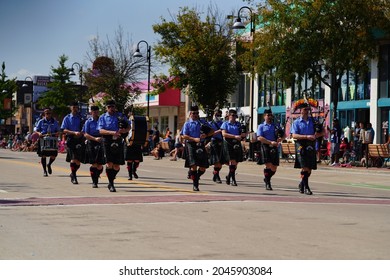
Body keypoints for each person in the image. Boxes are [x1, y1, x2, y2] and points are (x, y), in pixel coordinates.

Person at [291, 103, 325, 195]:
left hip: (311, 145)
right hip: (301, 145)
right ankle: (306, 188)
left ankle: (302, 184)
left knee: (309, 168)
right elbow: (294, 135)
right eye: (305, 109)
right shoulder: (296, 122)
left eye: (308, 109)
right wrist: (306, 136)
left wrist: (315, 135)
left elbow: (323, 132)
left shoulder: (313, 121)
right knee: (304, 167)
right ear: (301, 110)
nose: (307, 111)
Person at [97, 100, 130, 192]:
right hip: (107, 140)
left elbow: (129, 126)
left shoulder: (120, 116)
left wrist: (125, 130)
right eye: (109, 107)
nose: (111, 108)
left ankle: (111, 178)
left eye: (113, 106)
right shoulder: (103, 117)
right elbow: (100, 130)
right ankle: (111, 184)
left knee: (116, 166)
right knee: (109, 163)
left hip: (118, 140)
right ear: (106, 108)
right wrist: (112, 132)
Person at [181, 105, 209, 191]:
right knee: (193, 165)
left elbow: (212, 131)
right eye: (193, 113)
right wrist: (194, 139)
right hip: (191, 145)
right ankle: (195, 185)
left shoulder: (202, 122)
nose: (195, 115)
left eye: (197, 113)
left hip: (201, 145)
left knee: (203, 167)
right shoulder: (187, 123)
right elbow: (184, 136)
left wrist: (206, 135)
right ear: (190, 114)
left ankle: (195, 176)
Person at [256, 108, 284, 190]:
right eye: (268, 115)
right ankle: (268, 183)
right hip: (265, 146)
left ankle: (267, 178)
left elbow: (283, 135)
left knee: (274, 168)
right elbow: (259, 138)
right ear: (264, 116)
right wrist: (270, 142)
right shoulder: (261, 126)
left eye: (270, 115)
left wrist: (280, 139)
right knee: (268, 165)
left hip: (274, 147)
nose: (269, 117)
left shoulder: (276, 126)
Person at [61, 102, 86, 185]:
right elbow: (64, 129)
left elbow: (85, 127)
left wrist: (81, 132)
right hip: (71, 139)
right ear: (70, 108)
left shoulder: (81, 117)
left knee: (78, 161)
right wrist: (73, 132)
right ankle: (74, 176)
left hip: (80, 139)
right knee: (73, 158)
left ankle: (73, 173)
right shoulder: (67, 118)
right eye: (73, 107)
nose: (75, 109)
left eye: (76, 107)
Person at [221, 109, 246, 186]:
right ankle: (233, 180)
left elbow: (243, 133)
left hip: (237, 143)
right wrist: (234, 136)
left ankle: (229, 176)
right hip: (228, 143)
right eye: (232, 115)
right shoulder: (225, 124)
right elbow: (224, 134)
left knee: (236, 162)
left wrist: (243, 135)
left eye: (235, 116)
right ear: (228, 116)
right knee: (232, 161)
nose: (234, 117)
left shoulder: (238, 124)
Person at [82, 105, 104, 188]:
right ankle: (94, 182)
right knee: (94, 163)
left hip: (101, 141)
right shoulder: (88, 122)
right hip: (92, 141)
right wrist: (95, 139)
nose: (95, 113)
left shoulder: (102, 120)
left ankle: (97, 174)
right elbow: (85, 134)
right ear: (91, 112)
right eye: (94, 111)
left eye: (97, 111)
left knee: (100, 165)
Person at [34, 108, 60, 176]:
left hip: (52, 139)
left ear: (51, 113)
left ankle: (49, 164)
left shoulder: (55, 122)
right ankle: (44, 171)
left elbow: (58, 130)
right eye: (46, 113)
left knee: (53, 156)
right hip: (43, 139)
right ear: (44, 114)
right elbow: (36, 129)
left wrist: (57, 133)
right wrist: (39, 133)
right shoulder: (41, 121)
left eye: (49, 113)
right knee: (43, 156)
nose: (48, 115)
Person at [208, 109, 226, 183]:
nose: (217, 116)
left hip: (221, 142)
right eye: (216, 115)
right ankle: (217, 176)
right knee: (217, 160)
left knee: (221, 162)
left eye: (219, 115)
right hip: (214, 142)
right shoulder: (210, 124)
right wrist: (218, 131)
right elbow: (209, 134)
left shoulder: (223, 123)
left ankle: (215, 174)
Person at [124, 111, 143, 180]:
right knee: (129, 160)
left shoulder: (138, 123)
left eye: (132, 113)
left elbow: (142, 132)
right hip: (128, 142)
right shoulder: (125, 122)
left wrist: (142, 142)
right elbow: (124, 133)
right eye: (129, 113)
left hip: (137, 142)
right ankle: (130, 175)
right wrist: (127, 142)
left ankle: (134, 171)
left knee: (137, 160)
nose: (131, 114)